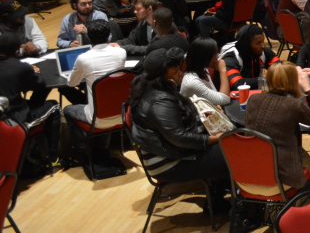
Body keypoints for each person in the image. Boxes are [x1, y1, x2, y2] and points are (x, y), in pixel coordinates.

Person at [128, 47, 230, 214]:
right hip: (167, 163)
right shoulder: (159, 101)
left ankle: (220, 193)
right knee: (232, 150)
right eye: (175, 68)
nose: (180, 71)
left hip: (174, 153)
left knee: (229, 145)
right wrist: (214, 139)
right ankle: (224, 204)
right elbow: (179, 137)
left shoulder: (155, 88)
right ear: (164, 72)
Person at [244, 61, 310, 192]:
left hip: (249, 173)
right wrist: (308, 89)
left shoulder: (253, 99)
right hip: (279, 178)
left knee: (299, 152)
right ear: (292, 81)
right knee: (297, 152)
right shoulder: (292, 105)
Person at [63, 20, 127, 149]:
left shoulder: (84, 58)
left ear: (88, 36)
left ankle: (82, 150)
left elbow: (71, 83)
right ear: (109, 35)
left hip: (97, 119)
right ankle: (106, 146)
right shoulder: (121, 53)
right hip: (123, 114)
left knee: (67, 110)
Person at [220, 23, 279, 89]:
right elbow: (237, 84)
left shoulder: (263, 51)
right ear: (247, 45)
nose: (263, 46)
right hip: (234, 96)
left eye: (263, 41)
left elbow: (281, 70)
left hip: (255, 93)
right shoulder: (231, 57)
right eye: (258, 43)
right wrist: (264, 80)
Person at [179, 38, 230, 106]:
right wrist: (223, 71)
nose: (217, 57)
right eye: (214, 55)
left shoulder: (203, 69)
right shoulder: (191, 82)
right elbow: (225, 99)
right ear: (205, 57)